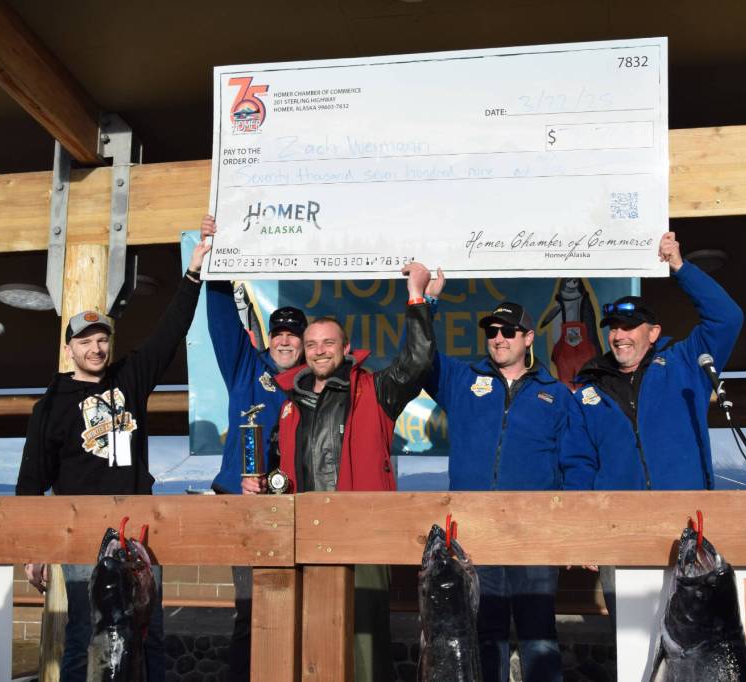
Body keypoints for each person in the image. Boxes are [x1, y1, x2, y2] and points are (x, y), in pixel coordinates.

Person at [16, 238, 210, 682]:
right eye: (86, 341)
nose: (96, 349)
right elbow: (31, 483)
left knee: (148, 630)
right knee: (87, 631)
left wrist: (193, 272)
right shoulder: (50, 406)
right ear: (69, 350)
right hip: (81, 532)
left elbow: (169, 331)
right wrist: (34, 548)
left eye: (103, 339)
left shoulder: (130, 378)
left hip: (139, 528)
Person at [242, 262, 435, 682]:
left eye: (328, 343)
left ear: (346, 348)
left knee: (364, 645)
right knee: (310, 640)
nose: (319, 350)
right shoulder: (291, 401)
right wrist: (264, 484)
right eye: (312, 344)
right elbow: (286, 469)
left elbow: (418, 361)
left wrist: (418, 298)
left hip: (361, 533)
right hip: (303, 534)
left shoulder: (376, 388)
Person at [567, 230, 744, 626]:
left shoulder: (685, 362)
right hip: (620, 532)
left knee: (694, 637)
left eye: (630, 326)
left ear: (653, 332)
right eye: (613, 326)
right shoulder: (587, 391)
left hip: (686, 530)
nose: (619, 335)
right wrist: (583, 531)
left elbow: (728, 317)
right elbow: (578, 464)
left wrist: (681, 268)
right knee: (631, 642)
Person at [423, 275, 585, 682]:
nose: (498, 338)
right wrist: (428, 302)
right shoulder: (462, 380)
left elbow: (576, 465)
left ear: (528, 337)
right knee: (484, 633)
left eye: (508, 331)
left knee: (539, 634)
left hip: (536, 532)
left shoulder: (556, 394)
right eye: (492, 332)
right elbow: (422, 356)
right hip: (476, 530)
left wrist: (576, 530)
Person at [199, 214, 306, 681]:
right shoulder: (247, 369)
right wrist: (216, 254)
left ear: (305, 343)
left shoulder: (317, 384)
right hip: (243, 509)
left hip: (298, 508)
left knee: (300, 608)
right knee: (250, 612)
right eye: (278, 332)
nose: (284, 339)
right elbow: (222, 318)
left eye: (293, 333)